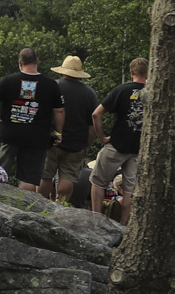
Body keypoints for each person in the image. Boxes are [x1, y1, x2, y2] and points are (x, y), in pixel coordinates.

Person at [0, 49, 66, 192]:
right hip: (37, 137)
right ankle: (22, 209)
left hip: (8, 134)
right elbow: (59, 111)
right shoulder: (51, 84)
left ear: (20, 63)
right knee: (28, 178)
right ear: (37, 62)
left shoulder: (8, 80)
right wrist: (58, 132)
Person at [90, 57, 149, 224]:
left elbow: (96, 114)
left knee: (98, 181)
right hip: (138, 148)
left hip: (117, 144)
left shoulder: (122, 90)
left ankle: (97, 220)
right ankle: (124, 226)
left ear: (132, 72)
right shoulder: (153, 93)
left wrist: (102, 137)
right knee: (130, 190)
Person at [40, 56, 100, 203]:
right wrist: (88, 145)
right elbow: (92, 124)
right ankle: (62, 207)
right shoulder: (89, 93)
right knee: (68, 177)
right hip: (76, 144)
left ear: (63, 70)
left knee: (45, 176)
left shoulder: (52, 86)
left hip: (50, 140)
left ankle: (38, 205)